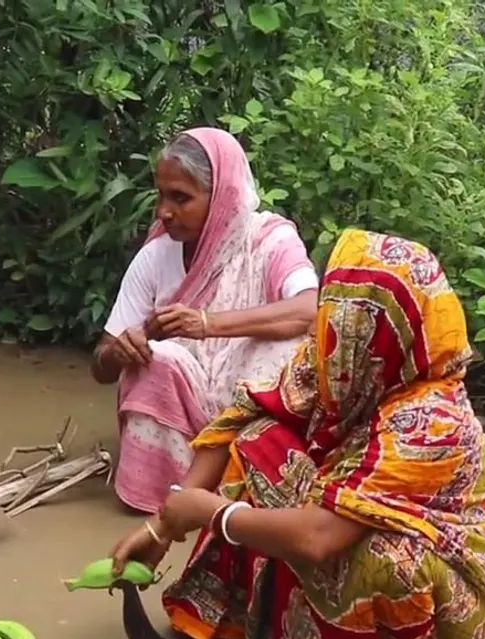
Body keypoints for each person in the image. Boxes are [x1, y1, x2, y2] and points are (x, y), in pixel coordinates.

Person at [107, 229, 485, 639]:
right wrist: (160, 527)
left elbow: (317, 537)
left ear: (389, 334)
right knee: (260, 441)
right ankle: (256, 621)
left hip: (461, 604)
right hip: (345, 519)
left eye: (353, 325)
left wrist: (204, 511)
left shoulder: (430, 420)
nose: (332, 338)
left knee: (381, 556)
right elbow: (247, 413)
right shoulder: (342, 360)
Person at [91, 127, 318, 514]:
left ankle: (254, 477)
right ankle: (172, 499)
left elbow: (309, 310)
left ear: (222, 197)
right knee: (155, 360)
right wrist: (131, 345)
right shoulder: (155, 257)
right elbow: (101, 366)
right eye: (162, 195)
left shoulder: (269, 241)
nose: (165, 211)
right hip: (185, 427)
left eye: (181, 198)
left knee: (285, 342)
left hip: (249, 416)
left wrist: (208, 323)